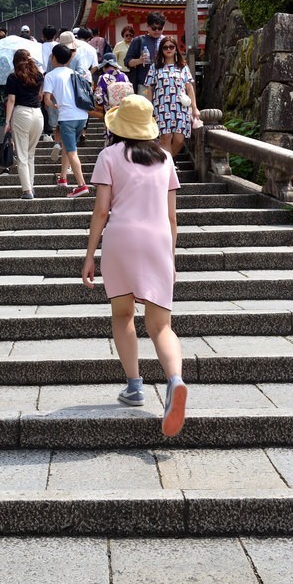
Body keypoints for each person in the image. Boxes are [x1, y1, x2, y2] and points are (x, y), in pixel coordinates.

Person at [80, 95, 187, 437]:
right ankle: (175, 380)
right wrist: (171, 256)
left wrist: (88, 255)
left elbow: (101, 211)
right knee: (161, 326)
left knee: (123, 315)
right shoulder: (166, 159)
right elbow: (172, 217)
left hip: (121, 240)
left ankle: (134, 386)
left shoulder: (109, 155)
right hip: (157, 241)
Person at [43, 43, 90, 197]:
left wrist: (55, 106)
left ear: (53, 57)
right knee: (67, 146)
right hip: (82, 116)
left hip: (67, 117)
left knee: (71, 151)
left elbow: (46, 100)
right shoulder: (74, 73)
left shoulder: (50, 75)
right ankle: (63, 177)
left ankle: (81, 185)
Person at [144, 35, 203, 157]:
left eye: (171, 47)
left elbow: (189, 87)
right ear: (161, 50)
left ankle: (166, 162)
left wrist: (195, 107)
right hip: (161, 107)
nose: (168, 49)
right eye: (165, 47)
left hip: (180, 108)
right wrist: (148, 108)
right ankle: (169, 166)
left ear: (176, 49)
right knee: (165, 137)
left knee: (179, 139)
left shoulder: (183, 67)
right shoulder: (155, 67)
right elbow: (149, 89)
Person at [4, 48, 44, 199]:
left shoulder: (13, 77)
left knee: (21, 155)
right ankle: (31, 187)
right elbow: (40, 96)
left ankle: (27, 191)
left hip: (22, 113)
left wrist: (7, 121)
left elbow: (11, 100)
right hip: (38, 115)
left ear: (15, 61)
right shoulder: (39, 75)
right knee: (30, 154)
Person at [91, 53, 132, 143]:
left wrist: (99, 104)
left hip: (110, 110)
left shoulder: (103, 77)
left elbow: (99, 96)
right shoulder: (124, 76)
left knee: (111, 134)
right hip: (124, 109)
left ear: (104, 66)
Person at [124, 12, 167, 93]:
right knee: (144, 106)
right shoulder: (139, 40)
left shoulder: (167, 41)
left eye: (160, 28)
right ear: (147, 27)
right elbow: (127, 62)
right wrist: (139, 61)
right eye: (154, 28)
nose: (157, 30)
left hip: (164, 84)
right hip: (144, 84)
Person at [39, 26, 58, 142]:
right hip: (57, 75)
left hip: (43, 77)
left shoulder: (39, 47)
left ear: (43, 36)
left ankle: (47, 132)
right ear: (55, 35)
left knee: (44, 105)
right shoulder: (58, 47)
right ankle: (58, 129)